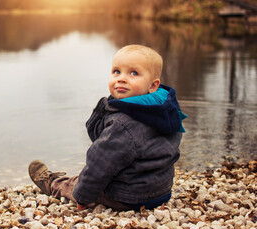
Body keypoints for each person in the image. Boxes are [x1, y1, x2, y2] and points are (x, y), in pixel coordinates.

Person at [28, 44, 187, 211]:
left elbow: (100, 164)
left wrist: (82, 197)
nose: (121, 78)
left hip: (128, 197)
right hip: (160, 192)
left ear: (153, 85)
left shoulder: (122, 125)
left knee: (78, 183)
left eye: (134, 73)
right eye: (117, 72)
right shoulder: (167, 110)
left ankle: (51, 183)